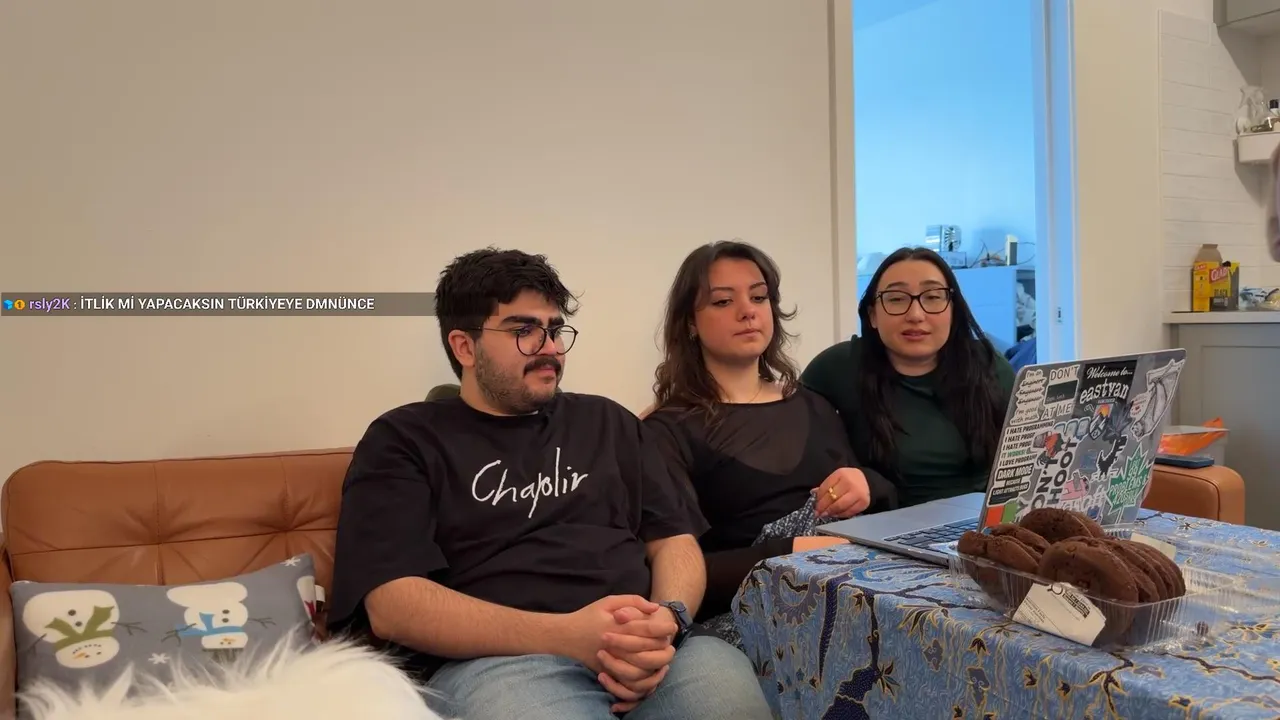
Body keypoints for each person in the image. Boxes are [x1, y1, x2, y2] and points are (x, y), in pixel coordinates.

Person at [327, 248, 772, 720]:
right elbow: (393, 605)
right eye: (523, 331)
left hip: (651, 652)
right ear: (464, 347)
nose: (550, 348)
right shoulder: (404, 439)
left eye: (555, 330)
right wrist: (569, 636)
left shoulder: (608, 422)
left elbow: (675, 541)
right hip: (501, 665)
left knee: (729, 703)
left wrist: (667, 619)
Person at [643, 241, 897, 642]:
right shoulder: (666, 431)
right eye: (723, 301)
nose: (748, 311)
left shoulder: (814, 405)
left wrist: (867, 483)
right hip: (745, 625)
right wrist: (788, 554)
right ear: (690, 322)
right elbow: (672, 573)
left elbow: (883, 510)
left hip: (858, 595)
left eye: (759, 297)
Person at [801, 247, 1015, 508]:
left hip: (981, 521)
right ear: (872, 315)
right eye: (896, 299)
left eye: (933, 297)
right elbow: (791, 450)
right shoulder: (837, 368)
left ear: (953, 310)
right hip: (880, 524)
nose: (915, 315)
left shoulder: (989, 365)